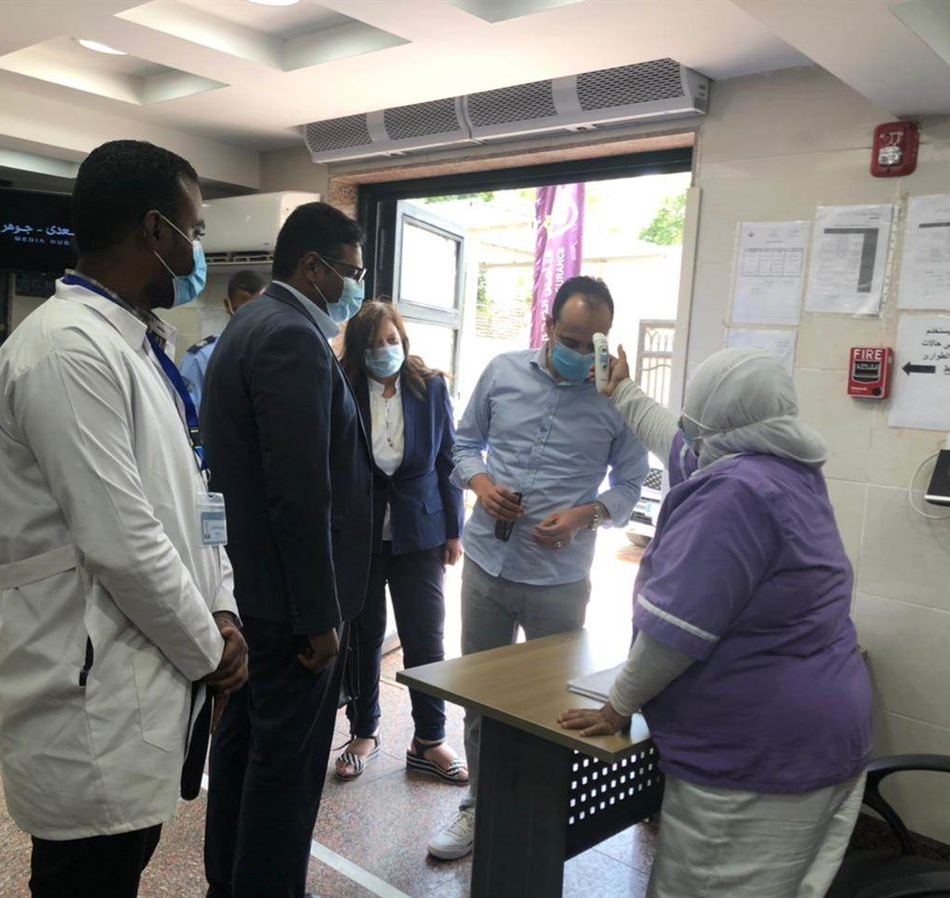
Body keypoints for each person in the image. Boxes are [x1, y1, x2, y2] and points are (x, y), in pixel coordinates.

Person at [0, 139, 248, 898]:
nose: (198, 252)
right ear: (155, 230)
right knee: (87, 877)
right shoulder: (67, 351)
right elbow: (123, 543)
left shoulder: (137, 345)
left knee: (119, 862)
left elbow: (194, 500)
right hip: (90, 690)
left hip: (145, 671)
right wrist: (212, 651)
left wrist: (224, 605)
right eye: (195, 232)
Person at [560, 347, 873, 898]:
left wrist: (618, 705)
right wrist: (622, 391)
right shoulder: (786, 469)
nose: (687, 432)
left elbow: (674, 634)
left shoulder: (732, 495)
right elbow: (675, 439)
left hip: (758, 756)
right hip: (826, 734)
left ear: (714, 423)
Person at [428, 275, 649, 861]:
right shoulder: (502, 372)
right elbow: (463, 444)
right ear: (548, 326)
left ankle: (542, 812)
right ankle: (477, 804)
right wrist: (481, 485)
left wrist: (585, 515)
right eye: (570, 340)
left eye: (592, 343)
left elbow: (631, 483)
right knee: (481, 692)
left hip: (559, 577)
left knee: (553, 702)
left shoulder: (616, 400)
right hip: (487, 564)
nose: (581, 355)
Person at [201, 202, 373, 898]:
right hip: (289, 605)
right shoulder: (292, 338)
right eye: (351, 272)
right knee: (287, 771)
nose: (357, 287)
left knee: (244, 745)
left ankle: (228, 881)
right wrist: (320, 617)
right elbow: (299, 494)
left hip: (254, 589)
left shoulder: (250, 324)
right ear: (313, 266)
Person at [334, 300, 466, 783]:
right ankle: (363, 732)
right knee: (363, 637)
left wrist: (454, 530)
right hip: (360, 535)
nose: (385, 350)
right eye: (374, 344)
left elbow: (450, 460)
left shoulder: (429, 387)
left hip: (421, 532)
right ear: (359, 350)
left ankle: (429, 739)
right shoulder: (343, 386)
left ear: (403, 340)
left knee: (425, 638)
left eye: (391, 340)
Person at [179, 270, 268, 409]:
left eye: (259, 310)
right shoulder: (201, 358)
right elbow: (189, 414)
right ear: (228, 306)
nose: (251, 317)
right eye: (242, 310)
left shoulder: (280, 354)